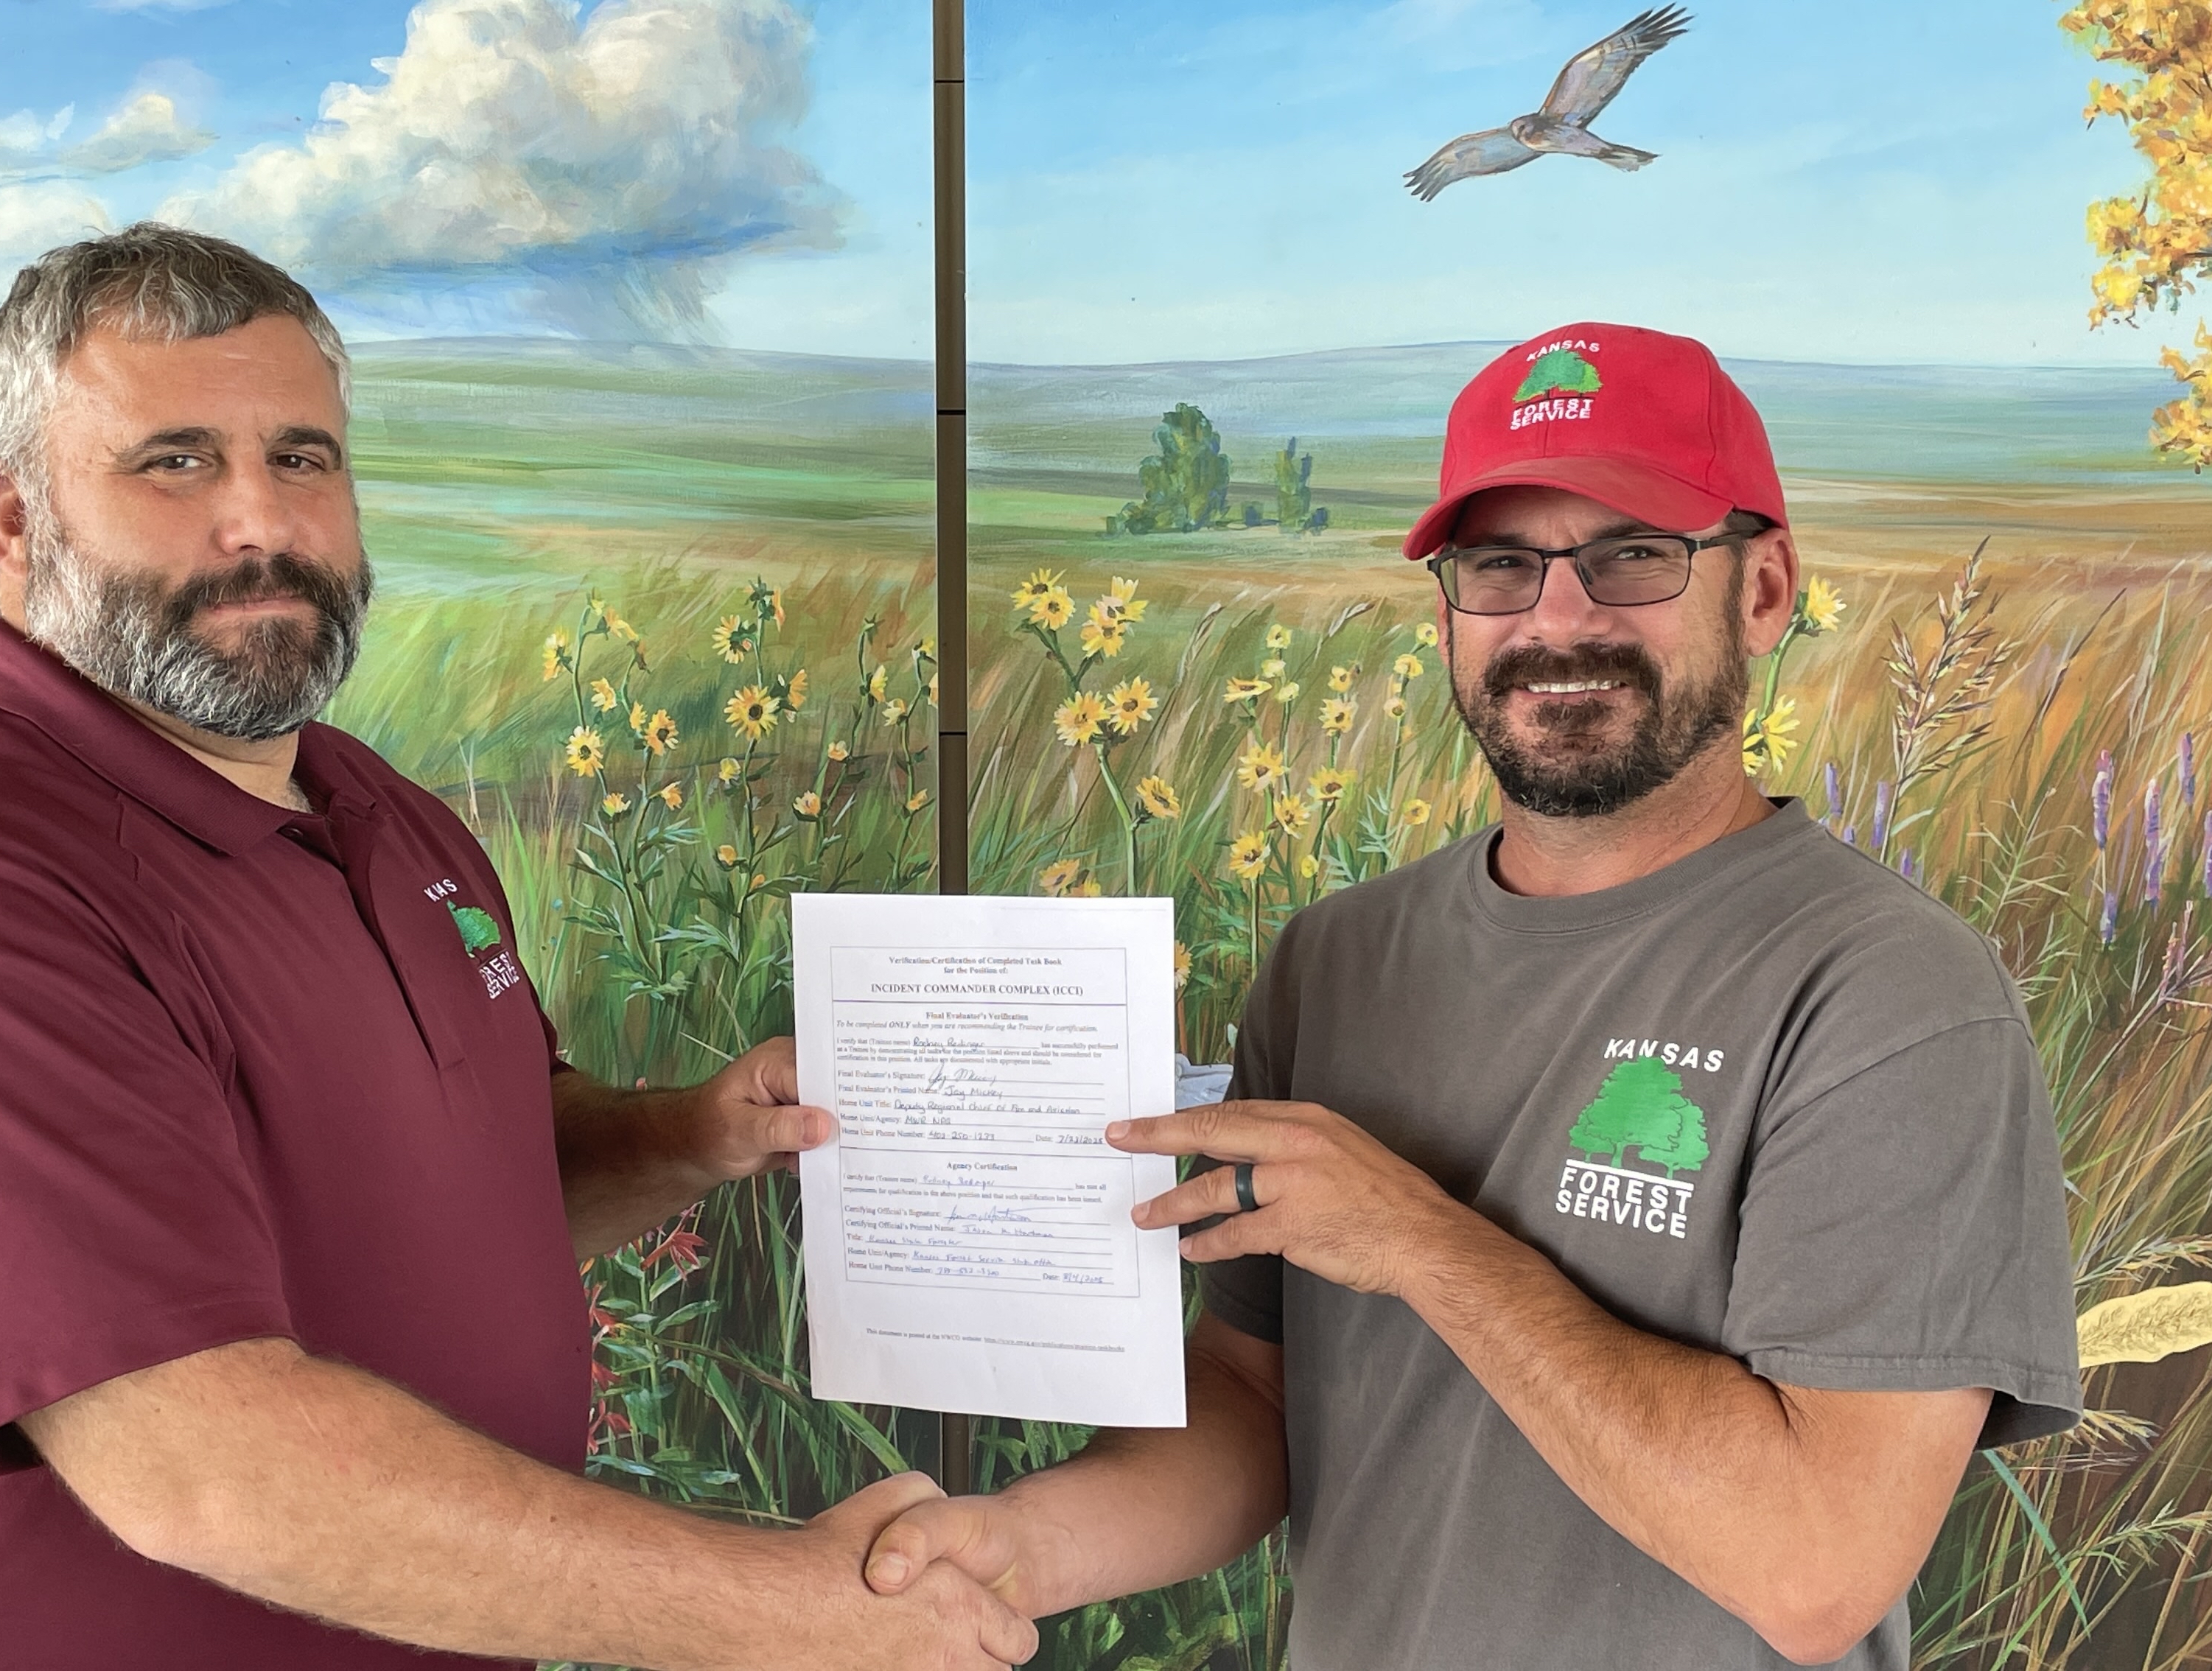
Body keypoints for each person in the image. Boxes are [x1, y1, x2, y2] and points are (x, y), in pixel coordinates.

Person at [0, 224, 1032, 1671]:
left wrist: (691, 1135)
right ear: (15, 521)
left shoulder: (381, 813)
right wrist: (793, 1615)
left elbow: (475, 1177)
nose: (262, 525)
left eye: (302, 459)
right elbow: (208, 1463)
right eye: (174, 462)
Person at [861, 322, 2084, 1667]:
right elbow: (1259, 1396)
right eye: (1501, 565)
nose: (1559, 619)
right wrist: (1025, 1549)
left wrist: (1421, 1244)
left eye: (1635, 553)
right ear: (1446, 613)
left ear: (1766, 591)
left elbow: (1814, 1565)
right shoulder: (1335, 960)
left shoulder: (1885, 992)